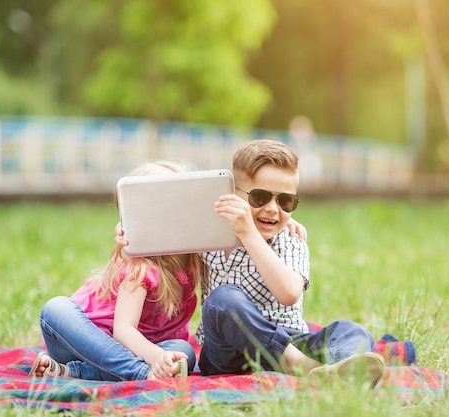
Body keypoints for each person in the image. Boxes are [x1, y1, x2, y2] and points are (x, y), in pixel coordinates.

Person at [117, 139, 385, 387]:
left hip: (289, 340)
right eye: (260, 197)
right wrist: (127, 231)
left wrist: (251, 234)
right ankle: (306, 368)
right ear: (233, 193)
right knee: (223, 300)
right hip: (226, 356)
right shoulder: (210, 230)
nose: (272, 209)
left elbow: (289, 293)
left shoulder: (289, 239)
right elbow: (166, 228)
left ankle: (346, 372)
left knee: (350, 331)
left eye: (285, 201)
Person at [29, 161, 200, 381]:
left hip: (139, 350)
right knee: (56, 308)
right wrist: (156, 357)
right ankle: (140, 373)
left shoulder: (192, 257)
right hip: (84, 345)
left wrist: (161, 357)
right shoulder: (140, 267)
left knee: (182, 351)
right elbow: (123, 330)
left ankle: (73, 372)